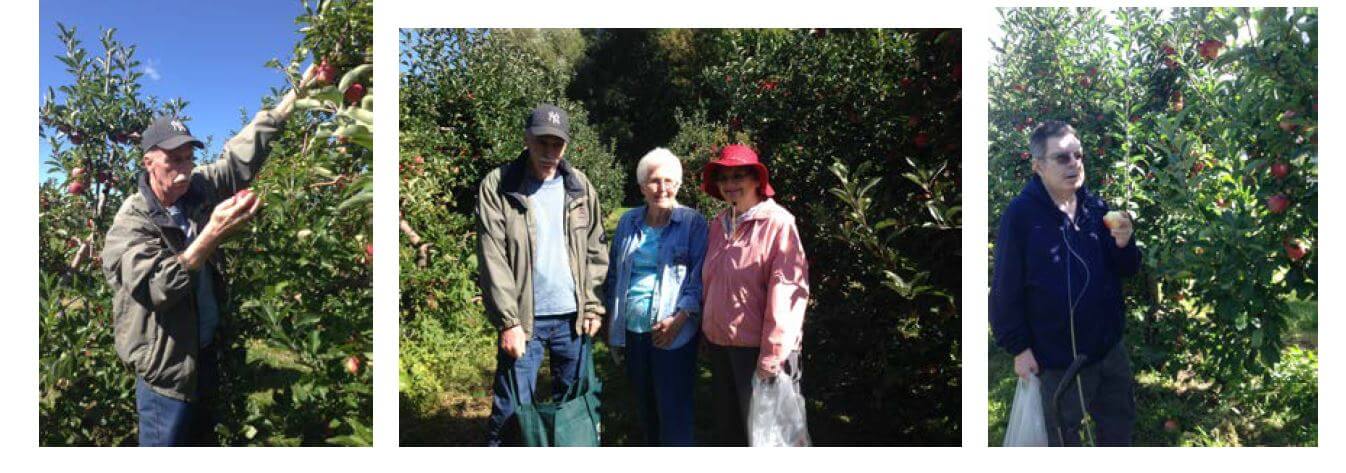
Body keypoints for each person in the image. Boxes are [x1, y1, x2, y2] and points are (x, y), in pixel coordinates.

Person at [102, 66, 314, 446]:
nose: (184, 172)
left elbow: (238, 159)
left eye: (188, 159)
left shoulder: (195, 190)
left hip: (204, 357)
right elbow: (158, 288)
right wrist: (211, 234)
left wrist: (293, 99)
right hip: (165, 373)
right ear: (149, 162)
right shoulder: (130, 223)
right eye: (173, 162)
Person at [990, 120, 1141, 447]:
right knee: (1062, 434)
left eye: (1078, 155)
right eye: (1062, 158)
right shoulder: (1021, 216)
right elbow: (1005, 286)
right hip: (1058, 358)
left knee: (1118, 427)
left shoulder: (1096, 208)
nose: (1074, 164)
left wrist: (1125, 244)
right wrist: (1018, 347)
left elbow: (1126, 269)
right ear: (1038, 166)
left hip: (1108, 348)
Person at [477, 104, 607, 446]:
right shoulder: (500, 185)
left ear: (565, 145)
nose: (549, 152)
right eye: (542, 143)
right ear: (527, 139)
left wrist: (592, 305)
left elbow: (595, 247)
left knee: (575, 408)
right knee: (510, 413)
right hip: (524, 320)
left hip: (573, 319)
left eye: (557, 144)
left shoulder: (579, 186)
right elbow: (493, 256)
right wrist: (508, 321)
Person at [698, 144, 810, 446]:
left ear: (757, 181)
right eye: (723, 178)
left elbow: (788, 290)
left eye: (738, 176)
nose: (730, 184)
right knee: (732, 431)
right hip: (722, 347)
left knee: (767, 438)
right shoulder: (719, 225)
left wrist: (772, 355)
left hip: (758, 351)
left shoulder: (778, 223)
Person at [604, 147, 707, 446]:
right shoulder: (628, 222)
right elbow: (615, 275)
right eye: (654, 181)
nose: (662, 187)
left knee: (673, 412)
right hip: (632, 331)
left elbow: (699, 279)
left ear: (678, 184)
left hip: (672, 333)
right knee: (645, 409)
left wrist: (679, 319)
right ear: (641, 187)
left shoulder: (693, 223)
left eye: (668, 180)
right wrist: (613, 321)